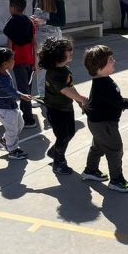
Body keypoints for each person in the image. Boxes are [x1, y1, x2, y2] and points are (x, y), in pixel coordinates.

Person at [82, 44, 128, 192]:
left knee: (98, 146)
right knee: (115, 149)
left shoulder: (102, 80)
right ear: (99, 67)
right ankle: (116, 180)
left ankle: (90, 170)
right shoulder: (103, 84)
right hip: (104, 124)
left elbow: (108, 101)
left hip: (98, 123)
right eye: (110, 59)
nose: (114, 61)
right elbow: (120, 102)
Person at [39, 36, 87, 175]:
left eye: (71, 49)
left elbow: (70, 87)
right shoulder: (53, 73)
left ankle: (54, 151)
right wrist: (83, 98)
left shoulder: (65, 69)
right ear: (58, 54)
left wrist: (79, 102)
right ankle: (58, 163)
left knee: (70, 132)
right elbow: (65, 90)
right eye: (68, 50)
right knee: (63, 136)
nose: (72, 51)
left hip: (66, 107)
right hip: (55, 110)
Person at [3, 0, 37, 129]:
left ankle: (29, 119)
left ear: (13, 8)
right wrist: (35, 61)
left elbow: (9, 44)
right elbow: (34, 42)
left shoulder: (11, 23)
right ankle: (26, 113)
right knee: (27, 87)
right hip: (30, 59)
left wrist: (7, 61)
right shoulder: (30, 22)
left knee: (23, 90)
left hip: (18, 61)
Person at [31, 0, 66, 98]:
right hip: (39, 38)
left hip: (53, 37)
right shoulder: (35, 0)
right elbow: (35, 15)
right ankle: (42, 95)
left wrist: (45, 21)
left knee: (55, 65)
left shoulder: (58, 1)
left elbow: (62, 22)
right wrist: (33, 20)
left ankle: (58, 92)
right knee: (41, 67)